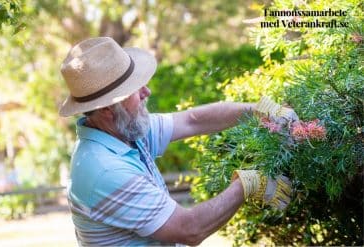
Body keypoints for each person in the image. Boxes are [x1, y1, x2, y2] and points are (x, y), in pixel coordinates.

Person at [59, 37, 297, 246]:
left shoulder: (122, 131)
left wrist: (260, 110)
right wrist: (247, 185)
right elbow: (189, 229)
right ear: (109, 108)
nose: (147, 92)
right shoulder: (104, 170)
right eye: (135, 89)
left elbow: (193, 120)